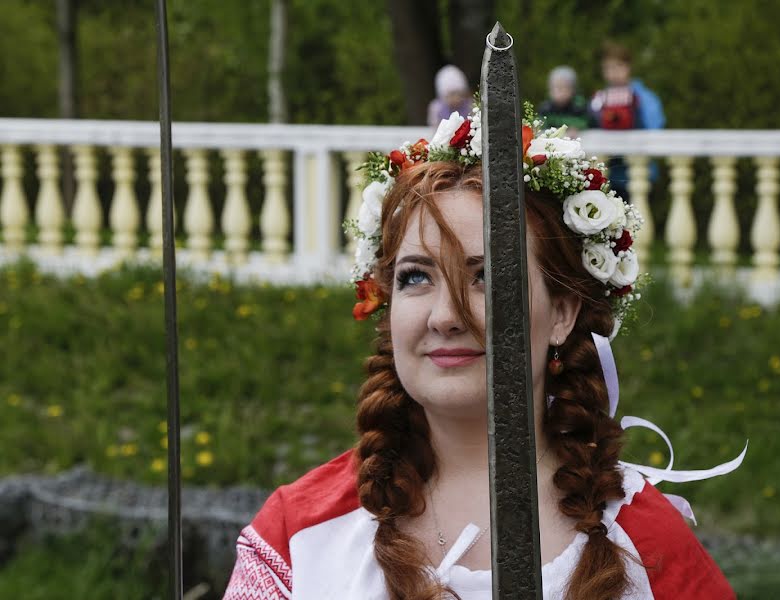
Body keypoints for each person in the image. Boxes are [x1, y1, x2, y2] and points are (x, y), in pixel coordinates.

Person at [223, 108, 742, 599]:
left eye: (487, 276)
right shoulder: (299, 536)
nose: (445, 316)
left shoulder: (646, 544)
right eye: (415, 277)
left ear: (562, 312)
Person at [590, 42, 666, 200]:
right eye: (608, 68)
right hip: (610, 172)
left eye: (618, 66)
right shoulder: (599, 99)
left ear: (628, 67)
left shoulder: (644, 98)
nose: (614, 72)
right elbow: (591, 124)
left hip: (639, 171)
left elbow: (655, 129)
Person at [538, 66, 595, 137]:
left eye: (564, 88)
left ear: (573, 89)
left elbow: (588, 122)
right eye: (556, 87)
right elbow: (539, 125)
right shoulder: (545, 108)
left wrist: (576, 128)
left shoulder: (579, 106)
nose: (560, 92)